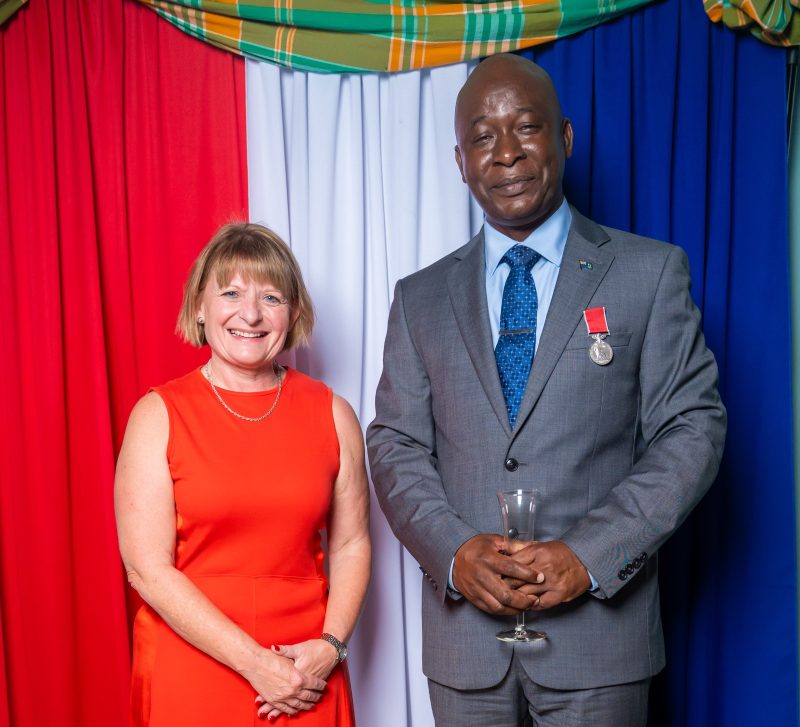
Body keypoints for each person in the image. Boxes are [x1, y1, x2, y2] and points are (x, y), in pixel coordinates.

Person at [367, 54, 726, 726]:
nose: (506, 153)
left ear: (563, 138)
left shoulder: (648, 274)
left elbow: (692, 430)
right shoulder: (419, 299)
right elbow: (395, 444)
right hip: (465, 647)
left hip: (598, 643)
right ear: (460, 161)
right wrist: (455, 551)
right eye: (482, 137)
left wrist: (588, 556)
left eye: (525, 128)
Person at [115, 223, 371, 726]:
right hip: (192, 663)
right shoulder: (158, 414)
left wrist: (331, 647)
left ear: (293, 313)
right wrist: (255, 664)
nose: (250, 314)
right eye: (230, 293)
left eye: (271, 297)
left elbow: (351, 545)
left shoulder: (333, 413)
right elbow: (147, 568)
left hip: (306, 670)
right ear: (199, 308)